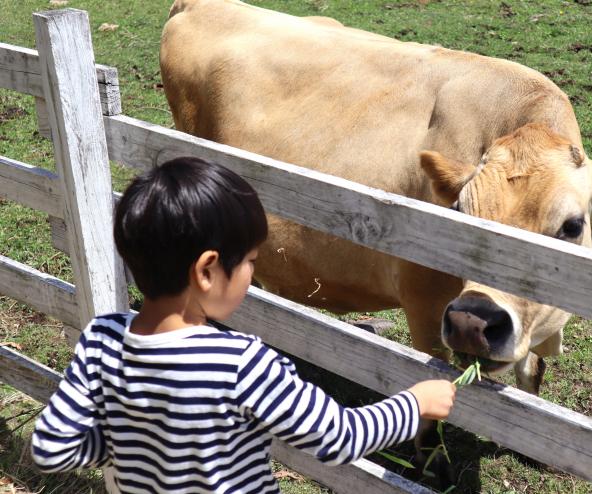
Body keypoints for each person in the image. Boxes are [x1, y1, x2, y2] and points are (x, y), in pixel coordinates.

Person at [31, 157, 456, 493]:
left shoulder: (101, 339)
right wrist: (415, 405)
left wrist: (131, 445)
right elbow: (339, 437)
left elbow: (51, 449)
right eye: (251, 262)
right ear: (207, 270)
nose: (254, 273)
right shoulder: (241, 363)